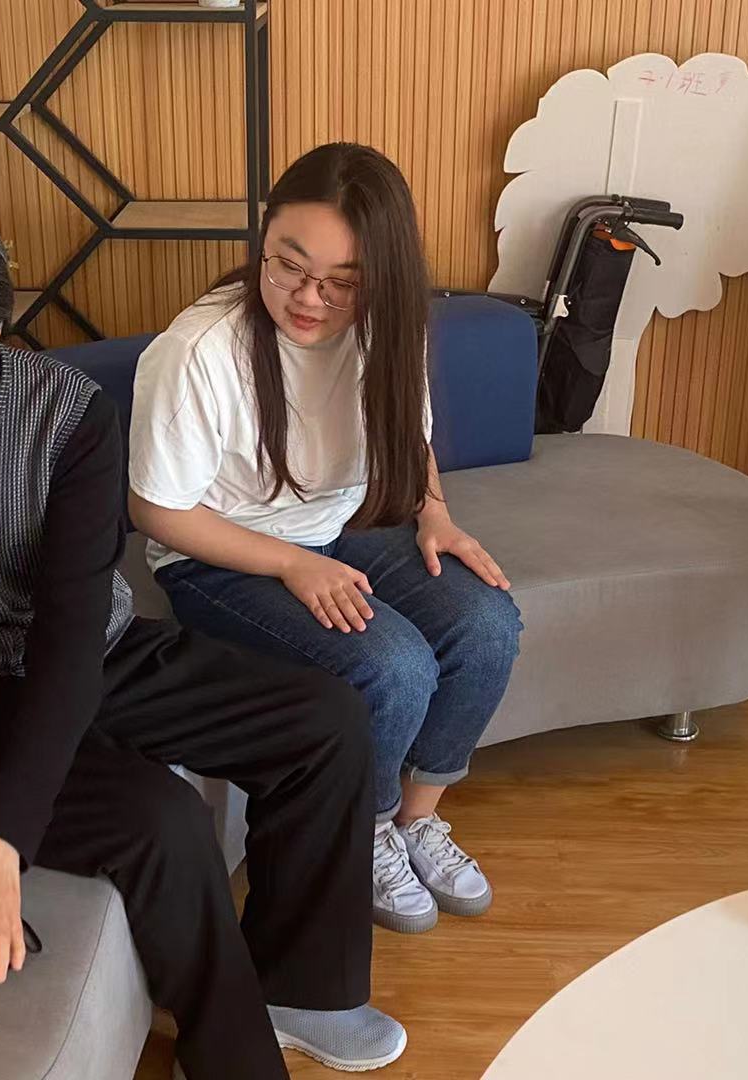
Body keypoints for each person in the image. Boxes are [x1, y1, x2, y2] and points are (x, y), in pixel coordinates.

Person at [0, 186, 406, 1078]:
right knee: (163, 823)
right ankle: (234, 1058)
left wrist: (6, 832)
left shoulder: (68, 415)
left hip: (86, 653)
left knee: (326, 722)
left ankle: (300, 990)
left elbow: (71, 631)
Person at [129, 143, 524, 937]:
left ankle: (416, 820)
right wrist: (292, 564)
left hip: (336, 528)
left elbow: (408, 436)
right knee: (393, 666)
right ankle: (365, 832)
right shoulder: (198, 351)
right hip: (219, 556)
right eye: (288, 265)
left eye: (343, 281)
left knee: (488, 624)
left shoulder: (387, 329)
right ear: (264, 237)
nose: (309, 298)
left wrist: (435, 512)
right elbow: (157, 512)